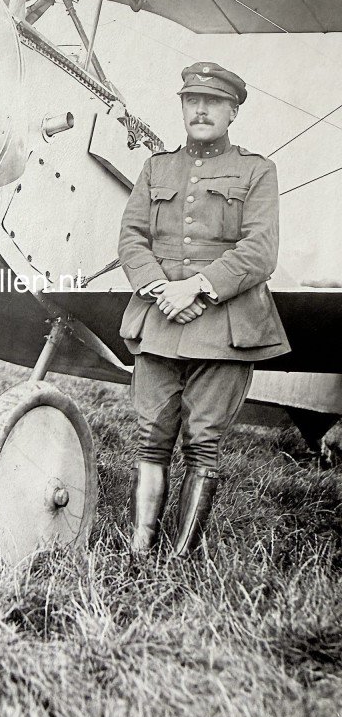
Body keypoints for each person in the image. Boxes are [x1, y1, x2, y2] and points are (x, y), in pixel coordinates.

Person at [118, 62, 290, 556]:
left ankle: (179, 558)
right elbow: (132, 238)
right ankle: (139, 549)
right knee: (150, 438)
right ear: (181, 107)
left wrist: (195, 288)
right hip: (159, 317)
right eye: (191, 100)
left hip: (225, 326)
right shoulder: (156, 167)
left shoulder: (258, 170)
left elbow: (260, 251)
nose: (200, 109)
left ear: (232, 111)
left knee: (202, 441)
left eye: (213, 102)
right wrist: (159, 288)